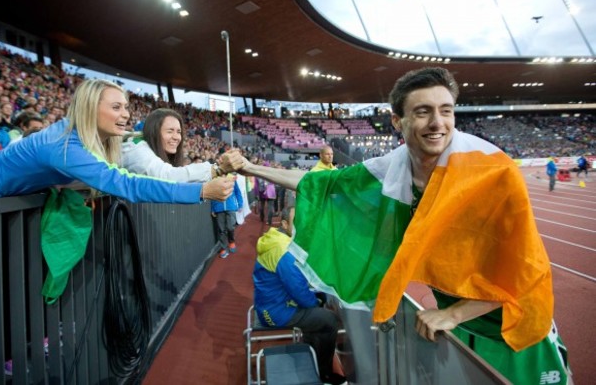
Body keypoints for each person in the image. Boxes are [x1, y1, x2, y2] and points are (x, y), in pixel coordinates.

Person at [238, 67, 571, 384]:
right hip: (455, 318)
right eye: (424, 111)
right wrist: (252, 168)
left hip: (514, 328)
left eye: (447, 110)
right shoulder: (395, 167)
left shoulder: (493, 174)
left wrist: (455, 314)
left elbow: (523, 275)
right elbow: (324, 185)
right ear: (398, 121)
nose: (438, 123)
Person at [0, 79, 234, 204]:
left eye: (126, 107)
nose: (126, 115)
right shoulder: (65, 148)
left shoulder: (79, 138)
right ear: (89, 109)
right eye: (116, 108)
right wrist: (200, 192)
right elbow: (127, 184)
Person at [253, 207, 346, 385]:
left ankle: (311, 351)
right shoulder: (284, 252)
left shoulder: (274, 239)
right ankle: (325, 373)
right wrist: (316, 301)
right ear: (285, 223)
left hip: (269, 305)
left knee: (316, 311)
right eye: (297, 221)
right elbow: (300, 293)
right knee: (329, 320)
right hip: (276, 313)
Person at [121, 108, 242, 182]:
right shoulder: (136, 148)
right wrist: (217, 169)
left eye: (178, 132)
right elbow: (168, 177)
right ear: (154, 132)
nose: (176, 137)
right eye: (170, 131)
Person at [211, 175, 244, 259]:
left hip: (231, 206)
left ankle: (231, 241)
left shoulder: (232, 179)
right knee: (222, 229)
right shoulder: (215, 179)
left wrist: (240, 204)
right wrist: (213, 208)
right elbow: (213, 194)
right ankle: (223, 248)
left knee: (230, 227)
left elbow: (237, 192)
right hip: (219, 207)